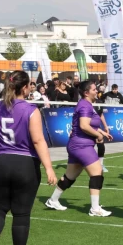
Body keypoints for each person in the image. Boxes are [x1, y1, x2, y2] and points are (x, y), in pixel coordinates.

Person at [0, 70, 57, 245]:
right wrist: (49, 168)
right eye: (30, 85)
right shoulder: (31, 109)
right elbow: (38, 140)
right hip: (25, 164)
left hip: (1, 163)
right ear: (25, 87)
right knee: (21, 213)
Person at [45, 80, 114, 216]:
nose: (97, 91)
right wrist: (98, 135)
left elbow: (89, 124)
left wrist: (102, 132)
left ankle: (53, 200)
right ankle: (95, 208)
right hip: (81, 146)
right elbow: (84, 126)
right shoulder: (84, 105)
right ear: (86, 92)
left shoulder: (87, 104)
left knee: (70, 176)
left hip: (77, 145)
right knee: (97, 173)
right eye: (94, 89)